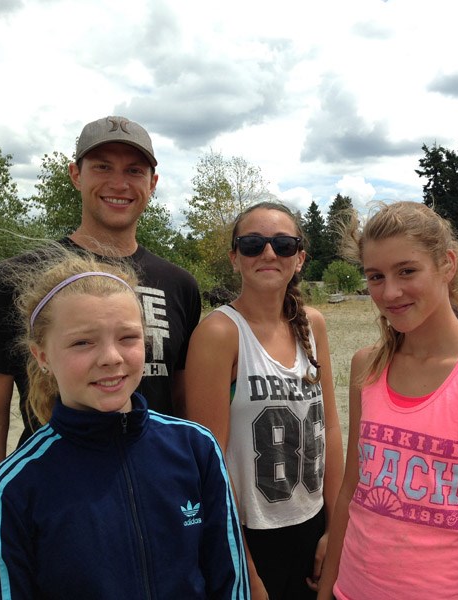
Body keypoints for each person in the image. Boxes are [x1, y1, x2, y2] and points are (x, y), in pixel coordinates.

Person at [0, 250, 249, 599]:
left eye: (128, 338)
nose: (111, 358)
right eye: (82, 342)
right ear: (42, 356)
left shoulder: (196, 448)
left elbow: (229, 582)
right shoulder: (9, 491)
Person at [0, 115, 201, 519]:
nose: (119, 183)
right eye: (102, 167)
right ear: (76, 175)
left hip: (156, 498)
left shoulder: (179, 284)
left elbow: (183, 405)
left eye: (134, 170)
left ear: (153, 184)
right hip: (57, 506)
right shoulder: (14, 280)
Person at [318, 201, 458, 599]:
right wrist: (326, 590)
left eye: (407, 271)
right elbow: (352, 490)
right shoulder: (367, 366)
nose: (390, 292)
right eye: (375, 276)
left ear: (447, 265)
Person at [184, 201, 344, 600]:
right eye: (253, 244)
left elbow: (333, 430)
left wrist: (335, 529)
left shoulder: (313, 324)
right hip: (252, 533)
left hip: (312, 521)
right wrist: (246, 565)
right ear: (235, 258)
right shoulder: (220, 333)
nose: (269, 253)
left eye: (283, 244)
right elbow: (210, 460)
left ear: (300, 258)